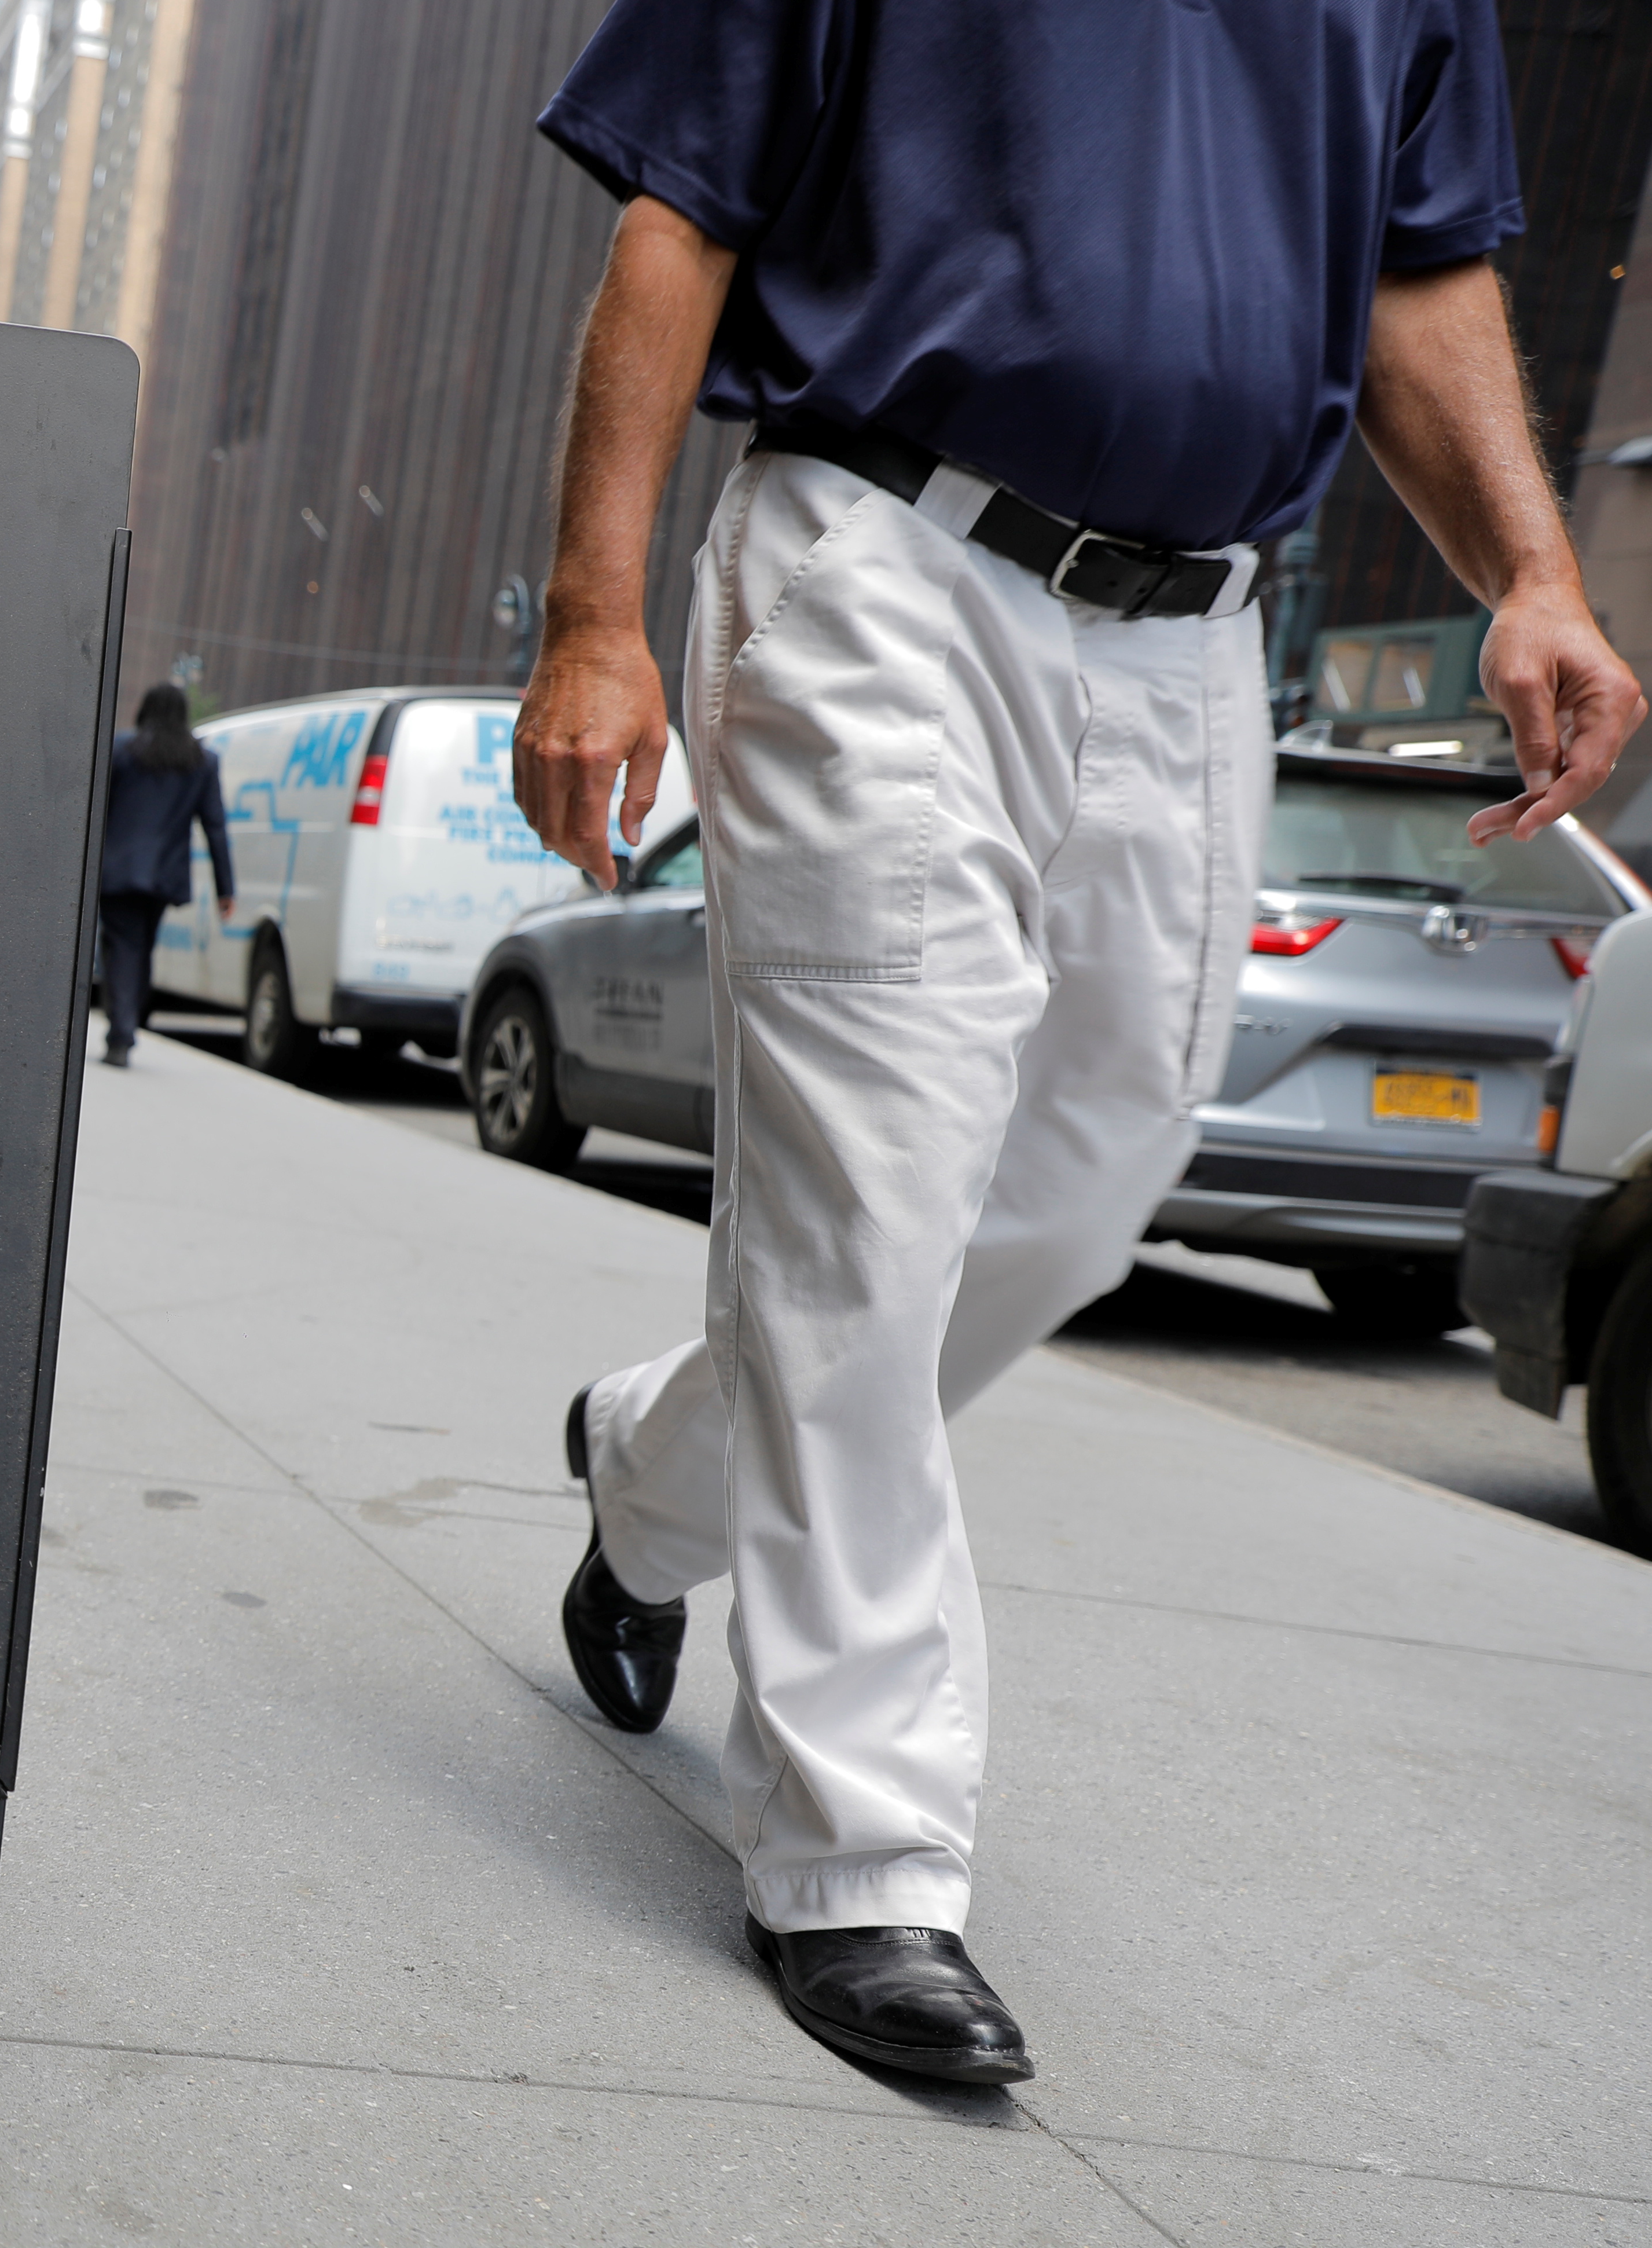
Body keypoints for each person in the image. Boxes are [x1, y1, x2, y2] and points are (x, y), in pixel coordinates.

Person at [516, 0, 1645, 2085]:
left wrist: (1530, 567)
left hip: (1189, 638)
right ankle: (860, 1862)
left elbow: (1414, 275)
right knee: (869, 1206)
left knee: (1079, 1192)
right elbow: (676, 216)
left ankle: (654, 1471)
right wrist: (592, 619)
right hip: (879, 568)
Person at [93, 684, 234, 1068]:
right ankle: (126, 1024)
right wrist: (226, 888)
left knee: (122, 947)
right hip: (164, 876)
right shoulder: (202, 761)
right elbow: (215, 825)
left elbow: (95, 808)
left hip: (117, 871)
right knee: (141, 948)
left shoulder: (123, 751)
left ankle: (122, 1033)